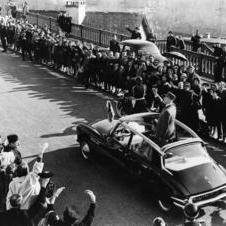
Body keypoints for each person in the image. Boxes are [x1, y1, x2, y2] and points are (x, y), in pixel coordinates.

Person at [6, 143, 48, 210]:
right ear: (27, 171)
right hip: (33, 205)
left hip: (22, 211)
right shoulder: (31, 179)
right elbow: (38, 166)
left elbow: (9, 201)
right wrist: (42, 150)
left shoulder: (12, 184)